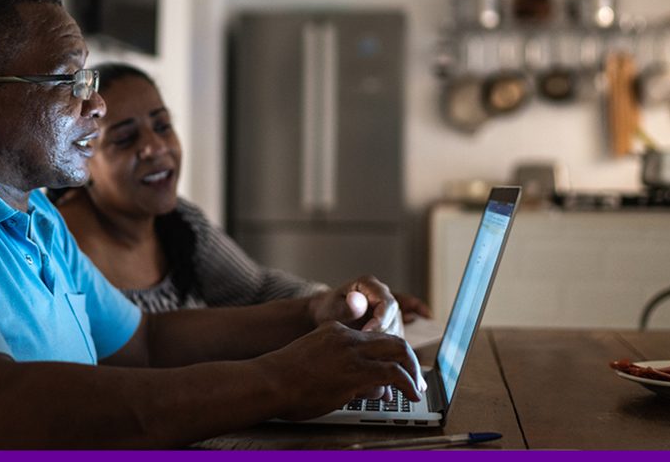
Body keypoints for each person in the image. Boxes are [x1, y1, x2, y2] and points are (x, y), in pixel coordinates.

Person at [0, 0, 423, 450]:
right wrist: (273, 384)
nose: (96, 108)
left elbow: (142, 343)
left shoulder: (29, 212)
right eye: (71, 83)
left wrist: (311, 314)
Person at [53, 63, 432, 319]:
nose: (156, 147)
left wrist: (346, 305)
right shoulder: (59, 249)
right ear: (81, 162)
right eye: (125, 138)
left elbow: (257, 289)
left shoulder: (181, 223)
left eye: (162, 125)